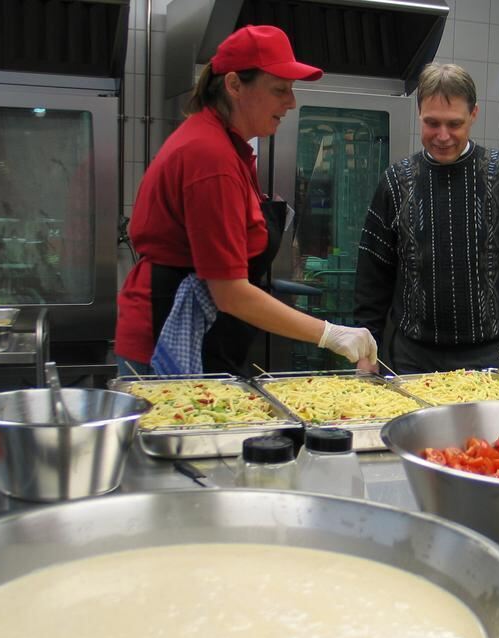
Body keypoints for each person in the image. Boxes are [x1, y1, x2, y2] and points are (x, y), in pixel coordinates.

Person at [115, 25, 376, 376]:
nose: (292, 102)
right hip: (164, 340)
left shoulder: (230, 148)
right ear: (235, 85)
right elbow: (230, 293)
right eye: (280, 89)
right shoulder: (209, 157)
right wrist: (328, 333)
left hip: (199, 332)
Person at [353, 63, 499, 374]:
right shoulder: (396, 181)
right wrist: (366, 348)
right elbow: (373, 273)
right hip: (412, 358)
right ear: (418, 113)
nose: (443, 136)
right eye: (432, 123)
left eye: (455, 124)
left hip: (494, 356)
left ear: (473, 115)